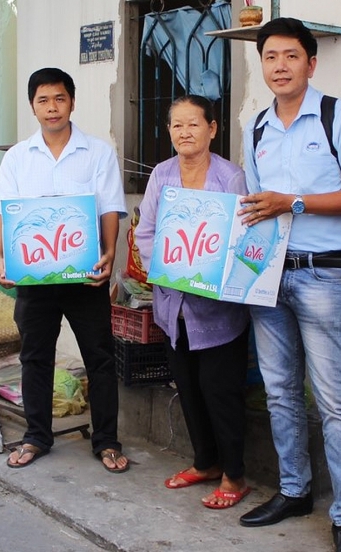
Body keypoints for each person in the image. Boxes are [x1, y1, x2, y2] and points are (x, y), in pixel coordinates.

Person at [235, 18, 341, 552]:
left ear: (311, 63)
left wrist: (291, 202)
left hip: (323, 276)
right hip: (270, 277)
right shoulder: (255, 127)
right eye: (270, 57)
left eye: (290, 56)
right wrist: (242, 271)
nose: (280, 66)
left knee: (336, 403)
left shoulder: (340, 115)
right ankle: (294, 491)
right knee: (279, 393)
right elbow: (255, 208)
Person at [0, 67, 130, 473]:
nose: (52, 107)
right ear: (32, 106)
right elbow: (2, 211)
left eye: (59, 99)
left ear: (72, 102)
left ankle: (107, 441)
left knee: (100, 358)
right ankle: (36, 436)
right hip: (34, 278)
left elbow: (109, 209)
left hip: (85, 276)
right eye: (43, 100)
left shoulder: (97, 152)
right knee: (35, 358)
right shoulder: (18, 158)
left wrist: (109, 254)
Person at [133, 95, 252, 509]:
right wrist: (171, 271)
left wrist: (211, 274)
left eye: (194, 124)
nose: (185, 133)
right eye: (177, 125)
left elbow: (243, 237)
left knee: (221, 392)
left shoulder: (231, 178)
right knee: (188, 388)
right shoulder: (162, 175)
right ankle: (205, 463)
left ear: (212, 129)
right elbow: (146, 232)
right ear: (169, 131)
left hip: (219, 310)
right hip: (174, 307)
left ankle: (235, 475)